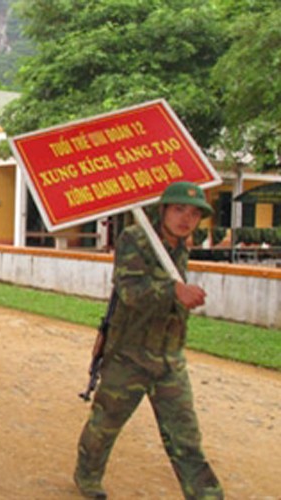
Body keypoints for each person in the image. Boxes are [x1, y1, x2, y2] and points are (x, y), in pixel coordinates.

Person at [74, 181, 223, 500]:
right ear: (163, 210)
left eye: (195, 213)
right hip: (129, 356)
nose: (186, 218)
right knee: (105, 426)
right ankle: (87, 475)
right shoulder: (136, 239)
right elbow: (129, 291)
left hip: (169, 359)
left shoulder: (182, 245)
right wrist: (175, 292)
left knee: (185, 438)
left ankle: (206, 494)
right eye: (179, 209)